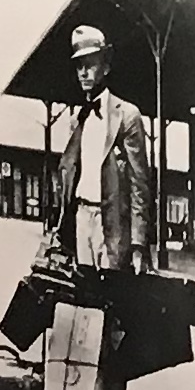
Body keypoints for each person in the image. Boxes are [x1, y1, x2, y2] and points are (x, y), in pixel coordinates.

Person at [43, 20, 158, 275]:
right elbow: (69, 172)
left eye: (90, 64)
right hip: (81, 219)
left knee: (109, 292)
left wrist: (138, 244)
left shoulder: (127, 115)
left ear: (105, 67)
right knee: (83, 291)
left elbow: (139, 183)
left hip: (112, 225)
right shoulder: (78, 119)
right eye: (79, 66)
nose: (83, 73)